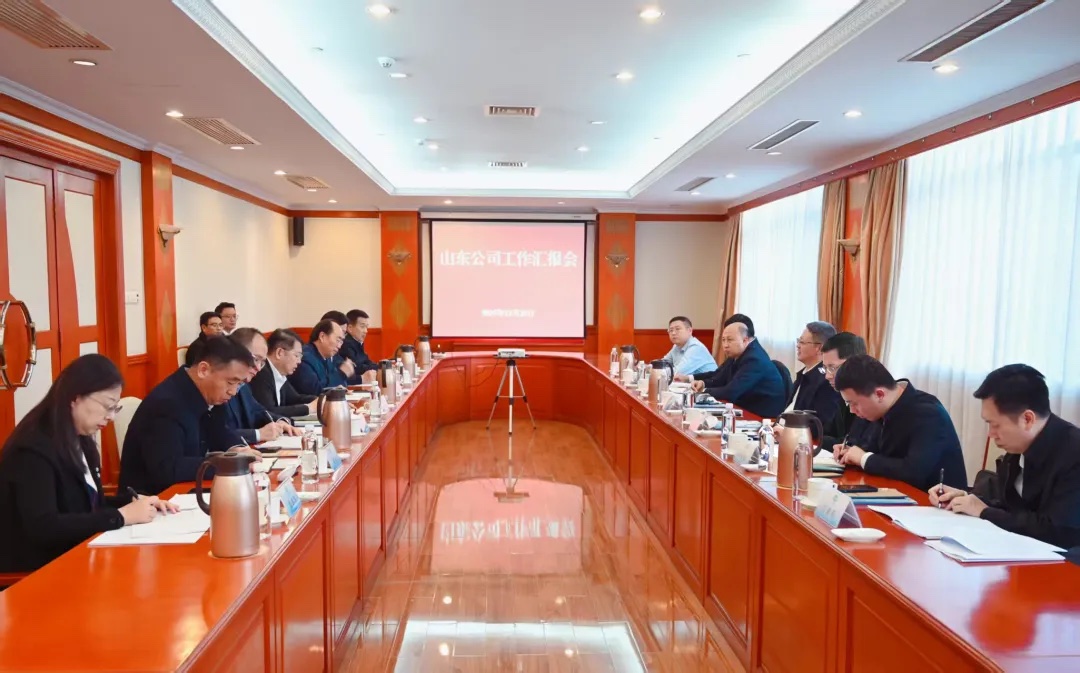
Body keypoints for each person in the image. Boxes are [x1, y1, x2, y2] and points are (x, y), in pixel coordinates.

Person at [0, 355, 176, 576]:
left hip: (75, 555)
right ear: (75, 398)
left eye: (115, 409)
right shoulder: (32, 451)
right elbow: (44, 526)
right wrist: (121, 516)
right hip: (36, 571)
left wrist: (133, 502)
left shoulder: (79, 438)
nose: (111, 417)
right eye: (107, 406)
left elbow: (87, 504)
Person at [930, 365, 1080, 549]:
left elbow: (1060, 532)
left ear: (1027, 419)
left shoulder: (1074, 454)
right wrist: (966, 500)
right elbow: (1011, 508)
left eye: (995, 425)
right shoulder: (1018, 448)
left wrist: (985, 511)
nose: (990, 434)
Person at [119, 337, 259, 495]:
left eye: (239, 384)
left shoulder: (209, 394)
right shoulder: (167, 403)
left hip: (186, 489)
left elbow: (220, 431)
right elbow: (168, 469)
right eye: (230, 382)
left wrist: (238, 450)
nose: (233, 392)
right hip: (155, 498)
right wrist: (228, 464)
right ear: (203, 370)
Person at [833, 354, 966, 491]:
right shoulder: (879, 410)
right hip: (891, 492)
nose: (852, 410)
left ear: (879, 394)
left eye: (854, 403)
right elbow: (871, 450)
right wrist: (849, 452)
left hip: (931, 500)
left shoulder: (928, 413)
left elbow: (914, 472)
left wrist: (863, 458)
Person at [692, 320, 786, 418]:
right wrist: (703, 383)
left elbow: (731, 392)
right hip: (743, 407)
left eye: (730, 340)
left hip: (760, 415)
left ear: (745, 340)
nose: (725, 345)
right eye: (723, 340)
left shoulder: (754, 359)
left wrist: (703, 390)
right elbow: (720, 378)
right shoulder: (738, 353)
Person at [226, 328, 302, 444]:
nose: (258, 368)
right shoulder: (219, 384)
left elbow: (258, 411)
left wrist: (280, 422)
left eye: (262, 362)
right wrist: (258, 434)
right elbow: (218, 435)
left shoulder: (244, 386)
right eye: (256, 359)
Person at [784, 321, 843, 429]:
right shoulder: (805, 372)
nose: (798, 345)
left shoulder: (826, 380)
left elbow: (819, 425)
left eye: (802, 342)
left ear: (819, 348)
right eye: (798, 341)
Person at [818, 332, 869, 454]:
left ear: (854, 364)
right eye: (825, 368)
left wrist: (805, 438)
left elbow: (854, 443)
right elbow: (828, 433)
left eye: (832, 368)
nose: (827, 376)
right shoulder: (843, 393)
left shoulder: (869, 396)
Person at [250, 329, 319, 418]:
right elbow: (268, 412)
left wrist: (319, 400)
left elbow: (295, 398)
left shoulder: (279, 372)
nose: (299, 361)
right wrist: (308, 408)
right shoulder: (261, 373)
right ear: (279, 353)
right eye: (297, 355)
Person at [290, 318, 349, 395]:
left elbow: (333, 382)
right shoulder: (304, 358)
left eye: (341, 342)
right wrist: (341, 374)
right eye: (338, 340)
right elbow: (315, 390)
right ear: (322, 336)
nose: (339, 346)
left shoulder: (327, 358)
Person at [339, 309, 380, 382]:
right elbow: (358, 368)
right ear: (350, 328)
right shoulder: (345, 344)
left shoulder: (358, 342)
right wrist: (378, 367)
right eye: (362, 326)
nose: (366, 331)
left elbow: (367, 361)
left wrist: (380, 366)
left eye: (366, 327)